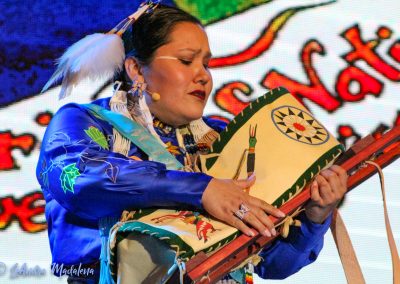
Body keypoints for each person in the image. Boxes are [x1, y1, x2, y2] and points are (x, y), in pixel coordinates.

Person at [36, 3, 348, 283]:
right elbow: (76, 179)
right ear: (135, 70)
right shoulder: (87, 123)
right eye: (186, 61)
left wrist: (314, 218)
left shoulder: (219, 137)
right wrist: (202, 189)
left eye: (206, 64)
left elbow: (272, 264)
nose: (203, 76)